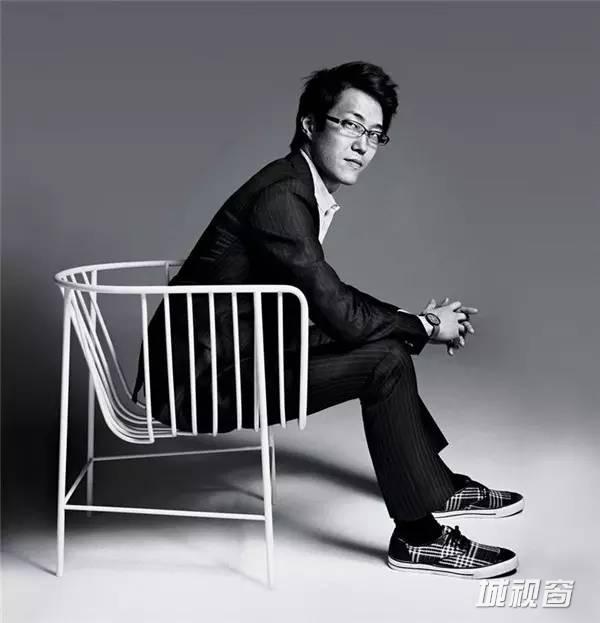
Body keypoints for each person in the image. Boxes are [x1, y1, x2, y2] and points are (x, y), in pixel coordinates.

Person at [132, 61, 523, 579]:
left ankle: (436, 486)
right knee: (384, 360)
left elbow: (327, 306)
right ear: (310, 123)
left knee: (383, 348)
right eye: (351, 125)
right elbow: (335, 306)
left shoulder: (296, 185)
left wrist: (414, 323)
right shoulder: (281, 198)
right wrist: (425, 326)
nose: (363, 145)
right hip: (200, 384)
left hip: (243, 350)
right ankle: (419, 537)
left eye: (375, 134)